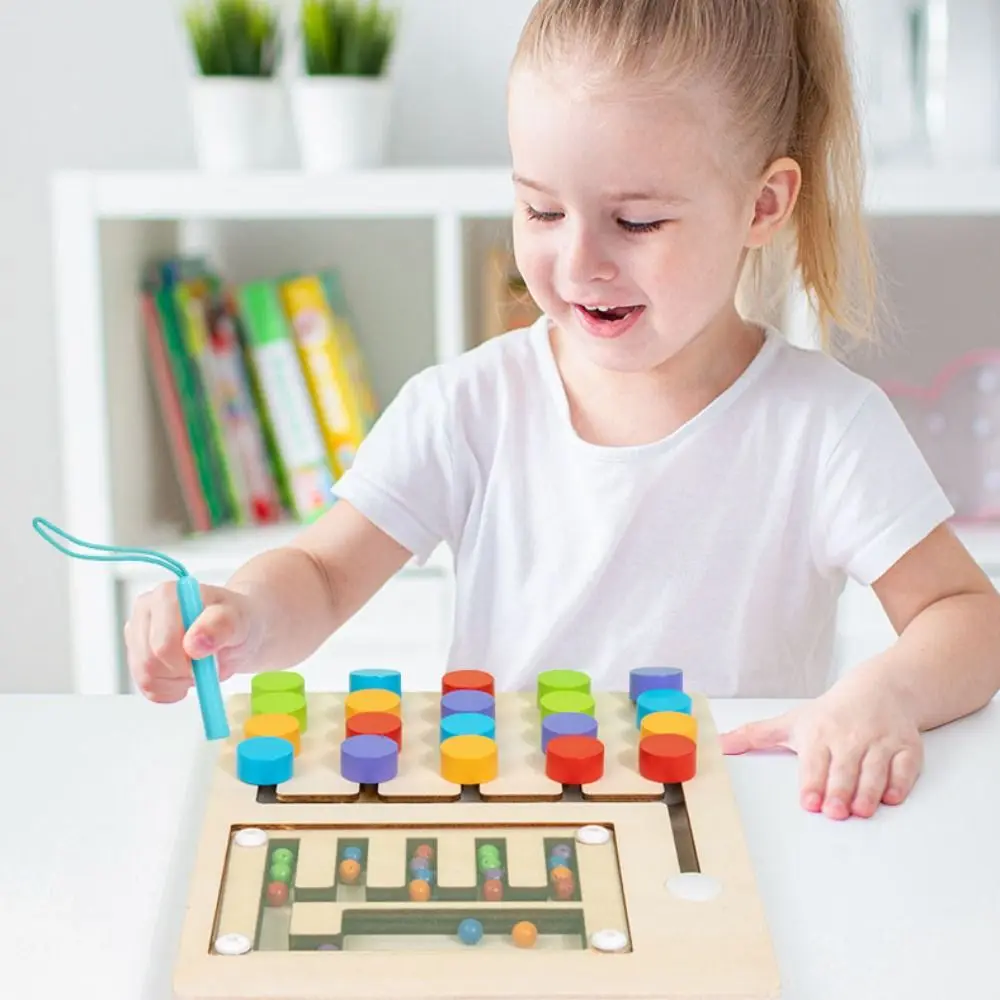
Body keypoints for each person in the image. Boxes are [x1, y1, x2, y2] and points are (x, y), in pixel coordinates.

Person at [125, 0, 1000, 821]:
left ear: (762, 205)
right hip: (509, 832)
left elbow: (968, 618)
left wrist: (884, 691)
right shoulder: (467, 406)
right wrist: (242, 614)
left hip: (735, 830)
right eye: (541, 210)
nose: (580, 262)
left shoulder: (825, 428)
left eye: (638, 222)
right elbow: (323, 573)